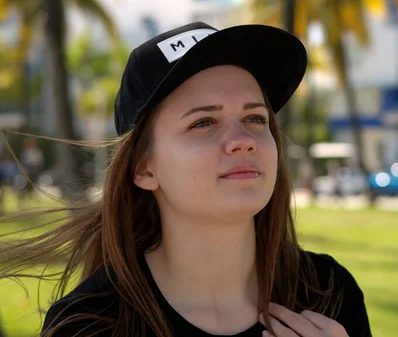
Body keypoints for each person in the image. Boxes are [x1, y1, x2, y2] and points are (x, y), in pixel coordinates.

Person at [0, 22, 371, 337]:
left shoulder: (328, 294)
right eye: (203, 122)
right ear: (144, 169)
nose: (243, 140)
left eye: (255, 118)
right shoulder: (89, 324)